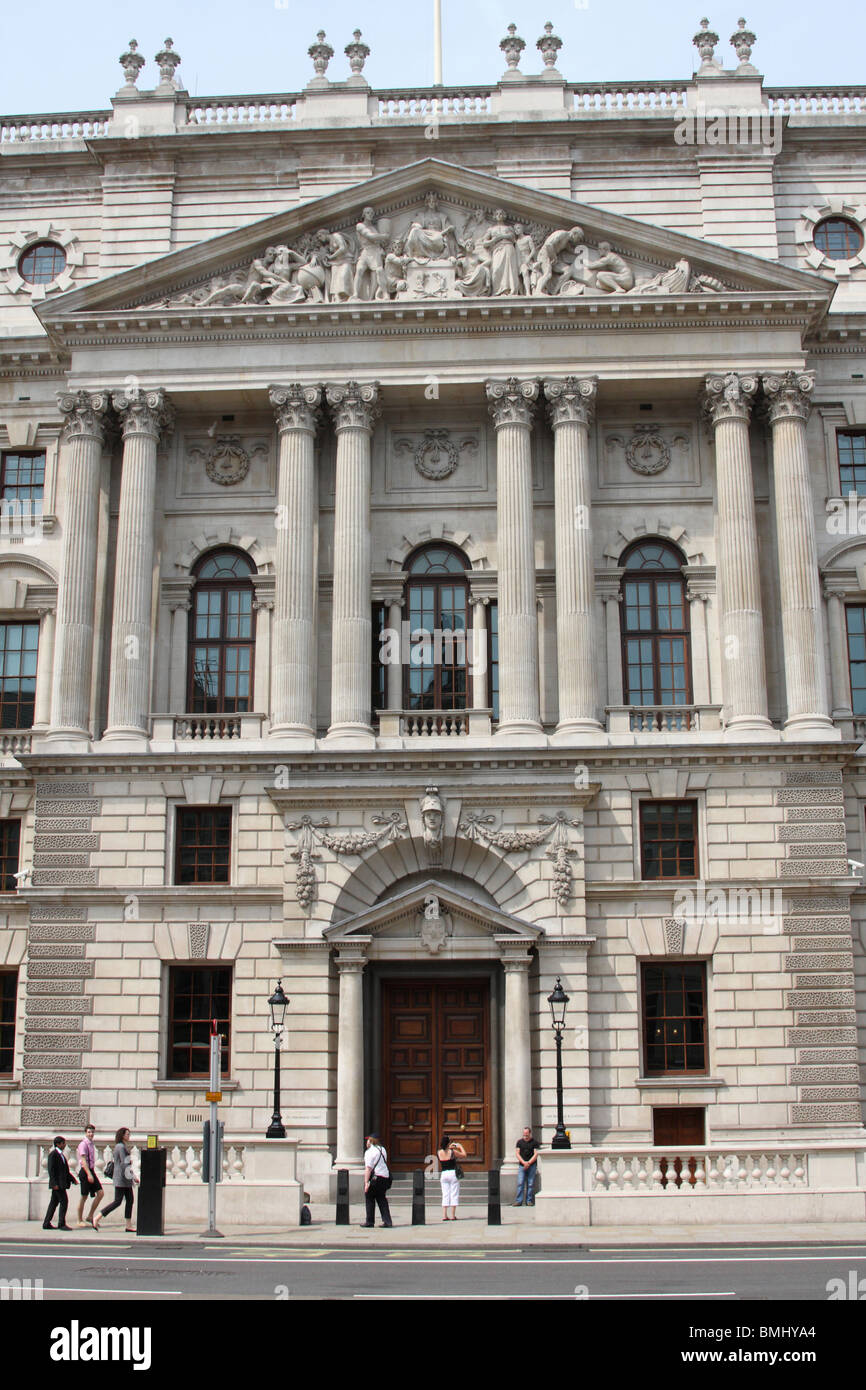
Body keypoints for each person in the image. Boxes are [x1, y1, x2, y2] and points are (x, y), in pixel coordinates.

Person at [99, 1127, 138, 1233]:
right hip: (122, 1179)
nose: (129, 1136)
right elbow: (124, 1164)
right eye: (127, 1134)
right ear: (122, 1135)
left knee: (129, 1200)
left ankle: (128, 1225)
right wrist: (133, 1177)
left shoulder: (121, 1146)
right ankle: (98, 1216)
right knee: (118, 1201)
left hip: (123, 1179)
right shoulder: (121, 1147)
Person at [361, 1134, 393, 1228]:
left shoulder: (369, 1152)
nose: (366, 1142)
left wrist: (366, 1182)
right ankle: (387, 1221)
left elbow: (368, 1168)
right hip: (385, 1177)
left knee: (369, 1197)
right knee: (381, 1198)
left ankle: (370, 1221)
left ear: (371, 1141)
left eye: (368, 1140)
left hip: (375, 1177)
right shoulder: (382, 1149)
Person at [76, 1124, 104, 1229]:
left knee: (100, 1193)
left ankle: (90, 1216)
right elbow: (83, 1161)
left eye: (92, 1132)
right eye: (89, 1132)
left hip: (91, 1170)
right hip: (85, 1171)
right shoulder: (83, 1144)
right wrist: (89, 1174)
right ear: (85, 1133)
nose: (91, 1134)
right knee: (84, 1196)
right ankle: (79, 1220)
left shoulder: (91, 1144)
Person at [43, 1135, 73, 1230]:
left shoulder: (61, 1155)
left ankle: (46, 1223)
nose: (64, 1145)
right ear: (58, 1144)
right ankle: (61, 1223)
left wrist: (72, 1179)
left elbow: (65, 1170)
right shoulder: (53, 1155)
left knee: (53, 1203)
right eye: (63, 1143)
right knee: (64, 1202)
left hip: (61, 1184)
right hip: (57, 1185)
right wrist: (54, 1184)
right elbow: (51, 1171)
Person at [437, 1132, 467, 1221]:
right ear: (448, 1143)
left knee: (445, 1194)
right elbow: (464, 1155)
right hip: (453, 1173)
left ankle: (444, 1215)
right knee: (454, 1193)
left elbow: (445, 1150)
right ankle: (453, 1215)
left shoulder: (439, 1152)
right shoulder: (452, 1152)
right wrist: (460, 1146)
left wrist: (449, 1146)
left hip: (444, 1174)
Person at [514, 1126, 539, 1206]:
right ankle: (519, 1201)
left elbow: (536, 1154)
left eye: (526, 1134)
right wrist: (524, 1162)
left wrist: (528, 1163)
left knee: (530, 1183)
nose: (525, 1136)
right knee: (520, 1183)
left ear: (529, 1133)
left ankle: (529, 1201)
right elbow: (517, 1153)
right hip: (522, 1165)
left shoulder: (534, 1142)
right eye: (524, 1134)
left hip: (531, 1165)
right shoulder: (519, 1142)